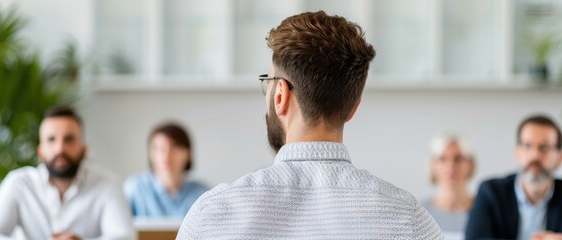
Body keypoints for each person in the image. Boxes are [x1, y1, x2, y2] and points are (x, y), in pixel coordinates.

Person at [176, 11, 443, 239]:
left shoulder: (212, 216)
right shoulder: (408, 219)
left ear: (280, 96)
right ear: (353, 108)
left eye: (267, 84)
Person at [0, 106, 134, 240]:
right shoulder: (18, 184)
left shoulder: (108, 184)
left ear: (84, 149)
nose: (60, 149)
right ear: (40, 151)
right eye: (51, 139)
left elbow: (124, 237)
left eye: (69, 139)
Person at [466, 115, 562, 240]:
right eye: (527, 146)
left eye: (544, 148)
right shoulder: (490, 192)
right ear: (517, 153)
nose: (535, 155)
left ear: (559, 157)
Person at [124, 122, 208, 218]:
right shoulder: (135, 188)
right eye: (159, 148)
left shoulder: (203, 194)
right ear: (151, 154)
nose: (166, 155)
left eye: (174, 147)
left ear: (188, 153)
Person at [422, 133, 475, 233]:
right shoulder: (420, 213)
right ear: (432, 166)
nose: (450, 167)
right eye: (442, 159)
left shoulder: (486, 211)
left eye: (458, 159)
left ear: (470, 165)